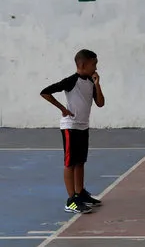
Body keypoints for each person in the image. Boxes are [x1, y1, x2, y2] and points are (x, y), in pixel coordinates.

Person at [40, 49, 105, 214]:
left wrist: (97, 84)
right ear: (83, 64)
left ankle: (80, 193)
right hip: (70, 126)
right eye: (94, 64)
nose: (96, 67)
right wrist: (62, 108)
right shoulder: (71, 81)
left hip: (83, 126)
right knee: (70, 163)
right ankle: (72, 200)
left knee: (80, 161)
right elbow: (45, 92)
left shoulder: (91, 80)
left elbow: (100, 103)